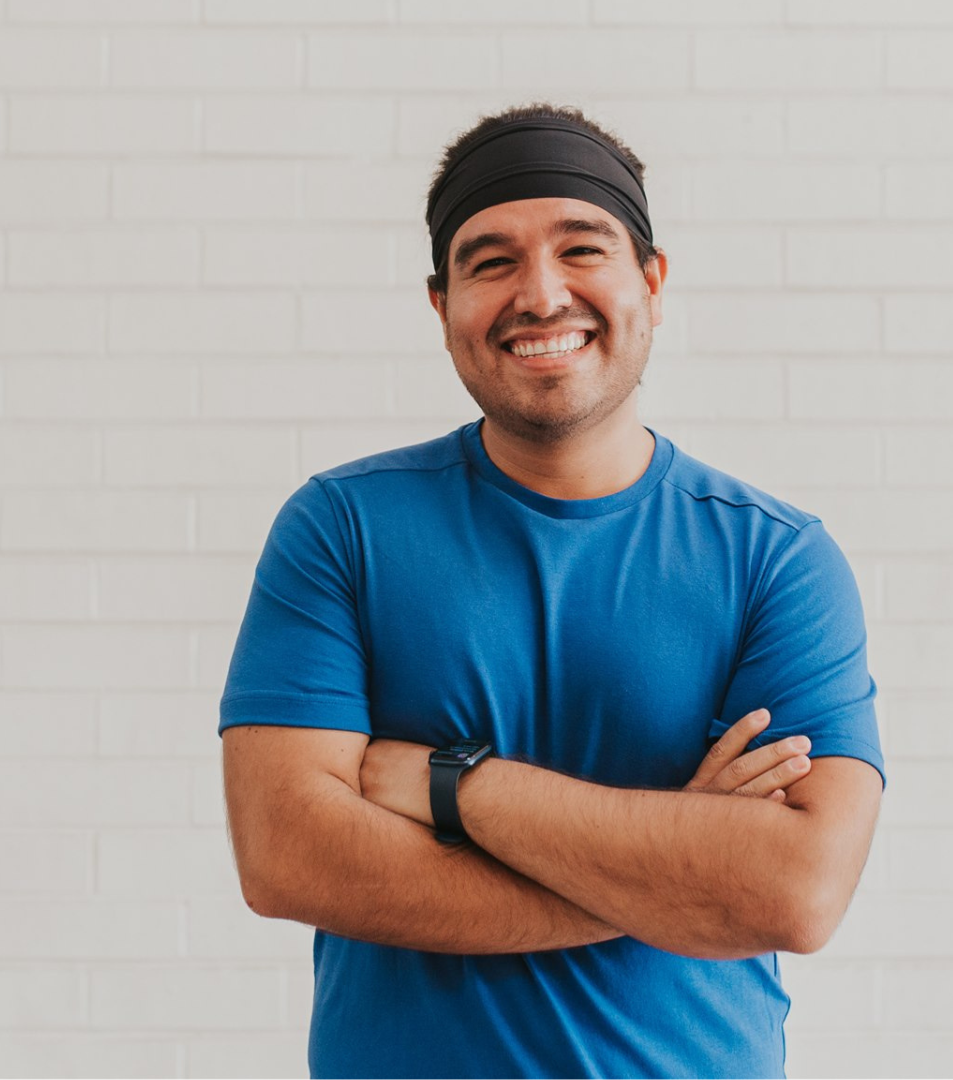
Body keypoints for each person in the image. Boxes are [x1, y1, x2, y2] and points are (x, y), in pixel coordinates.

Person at [220, 103, 884, 1080]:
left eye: (583, 248)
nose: (541, 294)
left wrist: (456, 786)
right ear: (440, 303)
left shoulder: (775, 560)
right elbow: (288, 857)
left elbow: (794, 894)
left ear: (652, 284)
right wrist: (671, 867)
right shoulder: (341, 530)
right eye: (492, 261)